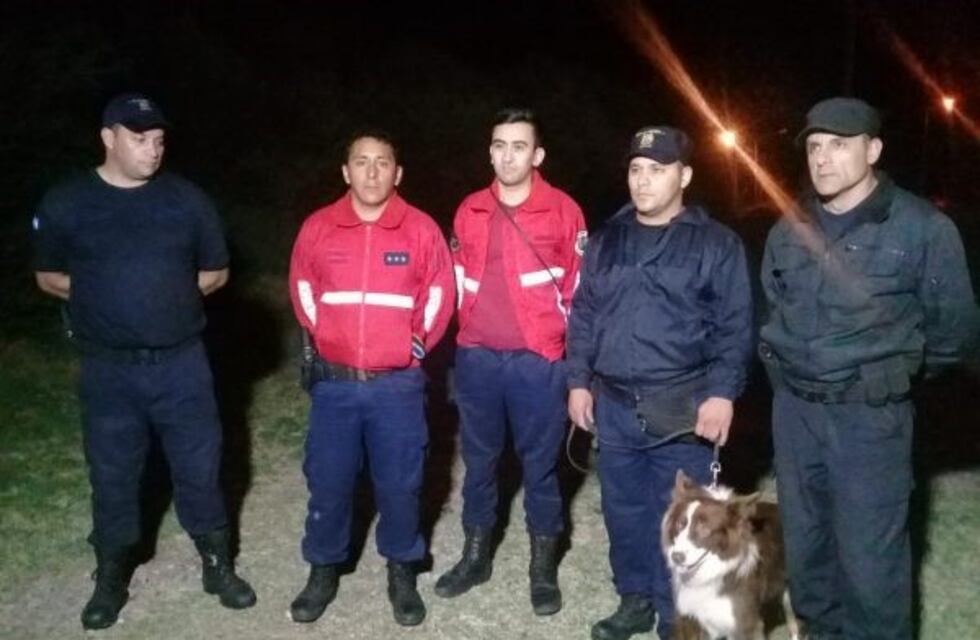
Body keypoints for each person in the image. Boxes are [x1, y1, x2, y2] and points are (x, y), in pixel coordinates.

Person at [31, 92, 256, 630]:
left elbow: (217, 273)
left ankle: (217, 564)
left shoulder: (187, 201)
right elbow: (48, 276)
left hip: (182, 365)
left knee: (200, 467)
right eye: (139, 139)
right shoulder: (66, 202)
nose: (152, 150)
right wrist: (109, 299)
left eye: (158, 140)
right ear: (108, 138)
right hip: (108, 369)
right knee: (112, 473)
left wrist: (165, 298)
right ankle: (111, 575)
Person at [759, 97, 979, 640]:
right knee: (808, 550)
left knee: (870, 563)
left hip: (869, 417)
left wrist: (889, 377)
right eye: (814, 146)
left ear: (873, 150)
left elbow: (954, 334)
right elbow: (772, 304)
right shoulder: (789, 227)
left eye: (839, 144)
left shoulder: (922, 229)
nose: (823, 158)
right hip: (796, 414)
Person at [566, 126, 753, 640]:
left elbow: (735, 326)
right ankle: (634, 599)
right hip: (616, 406)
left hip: (683, 407)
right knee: (623, 512)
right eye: (636, 169)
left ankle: (680, 616)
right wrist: (578, 380)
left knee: (684, 521)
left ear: (684, 176)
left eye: (658, 169)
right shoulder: (606, 241)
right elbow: (584, 316)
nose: (644, 180)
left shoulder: (715, 244)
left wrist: (722, 393)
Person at [287, 131, 454, 627]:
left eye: (383, 163)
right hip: (335, 385)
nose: (372, 172)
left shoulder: (421, 229)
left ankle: (402, 569)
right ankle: (323, 568)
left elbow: (441, 294)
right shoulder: (318, 227)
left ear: (397, 173)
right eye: (362, 162)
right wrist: (331, 343)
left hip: (397, 386)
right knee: (329, 480)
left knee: (402, 482)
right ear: (346, 171)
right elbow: (302, 290)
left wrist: (413, 345)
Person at [434, 108, 586, 615]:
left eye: (519, 145)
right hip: (477, 358)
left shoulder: (564, 211)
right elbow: (456, 279)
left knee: (540, 468)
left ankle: (542, 569)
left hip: (538, 363)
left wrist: (568, 356)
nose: (507, 154)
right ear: (490, 151)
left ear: (537, 155)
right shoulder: (469, 209)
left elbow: (580, 290)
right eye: (499, 144)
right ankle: (476, 557)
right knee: (479, 463)